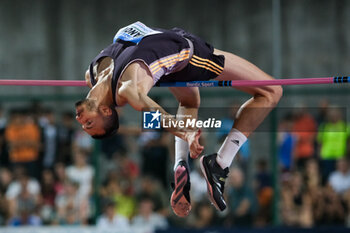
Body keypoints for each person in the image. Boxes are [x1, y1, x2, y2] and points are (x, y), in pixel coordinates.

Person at [75, 22, 282, 217]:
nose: (81, 121)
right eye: (89, 124)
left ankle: (180, 164)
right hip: (187, 55)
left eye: (85, 125)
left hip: (167, 53)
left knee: (189, 102)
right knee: (271, 91)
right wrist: (185, 133)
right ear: (106, 111)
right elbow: (157, 113)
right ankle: (220, 164)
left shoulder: (91, 74)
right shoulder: (128, 89)